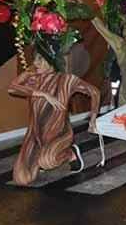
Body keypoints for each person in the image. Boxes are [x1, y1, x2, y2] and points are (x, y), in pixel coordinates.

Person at [8, 53, 100, 185]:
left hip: (59, 134)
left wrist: (93, 119)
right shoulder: (33, 78)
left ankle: (70, 153)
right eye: (34, 59)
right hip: (35, 136)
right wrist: (43, 94)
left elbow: (94, 92)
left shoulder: (66, 80)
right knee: (21, 179)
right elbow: (12, 88)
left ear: (52, 60)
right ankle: (41, 155)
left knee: (47, 161)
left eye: (40, 59)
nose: (35, 63)